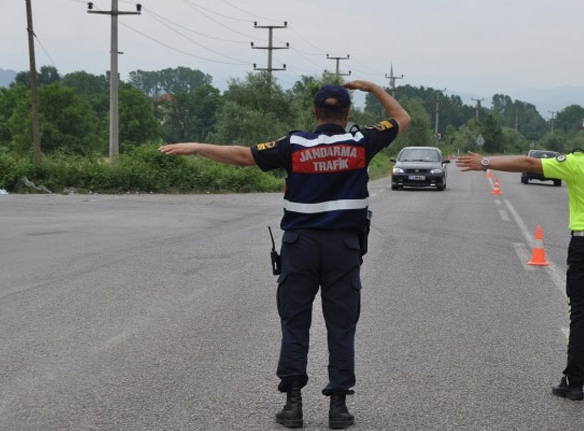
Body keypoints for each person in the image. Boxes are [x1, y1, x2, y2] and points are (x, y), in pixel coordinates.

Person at [160, 81, 410, 428]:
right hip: (343, 248)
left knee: (295, 323)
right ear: (347, 114)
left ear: (314, 112)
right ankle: (338, 407)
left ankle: (293, 406)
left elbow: (244, 156)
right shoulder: (362, 142)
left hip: (300, 247)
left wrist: (199, 146)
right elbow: (401, 117)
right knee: (341, 326)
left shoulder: (294, 144)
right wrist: (372, 87)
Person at [456, 56, 584, 402]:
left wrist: (486, 163)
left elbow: (528, 163)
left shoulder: (577, 164)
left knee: (580, 314)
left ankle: (575, 383)